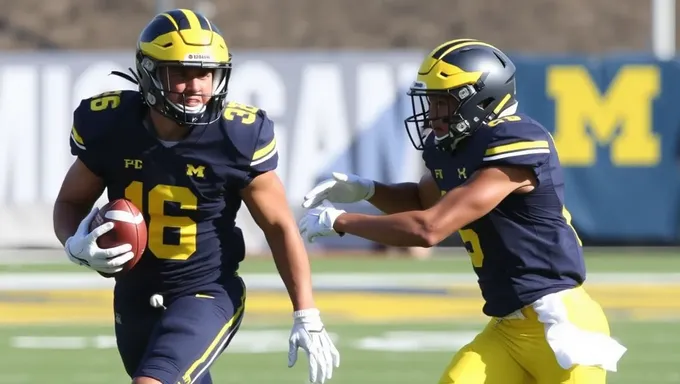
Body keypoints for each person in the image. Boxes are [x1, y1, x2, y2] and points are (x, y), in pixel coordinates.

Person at [298, 38, 626, 384]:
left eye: (444, 102)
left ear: (480, 97)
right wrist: (368, 189)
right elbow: (425, 200)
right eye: (432, 102)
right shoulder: (457, 148)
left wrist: (342, 222)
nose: (433, 114)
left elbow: (430, 228)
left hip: (559, 323)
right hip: (508, 328)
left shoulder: (514, 142)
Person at [53, 8, 339, 384]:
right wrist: (74, 243)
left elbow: (279, 226)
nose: (197, 86)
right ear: (149, 74)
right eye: (182, 74)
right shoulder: (111, 125)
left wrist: (306, 312)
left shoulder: (235, 136)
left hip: (206, 291)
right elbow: (71, 202)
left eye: (205, 73)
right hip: (134, 293)